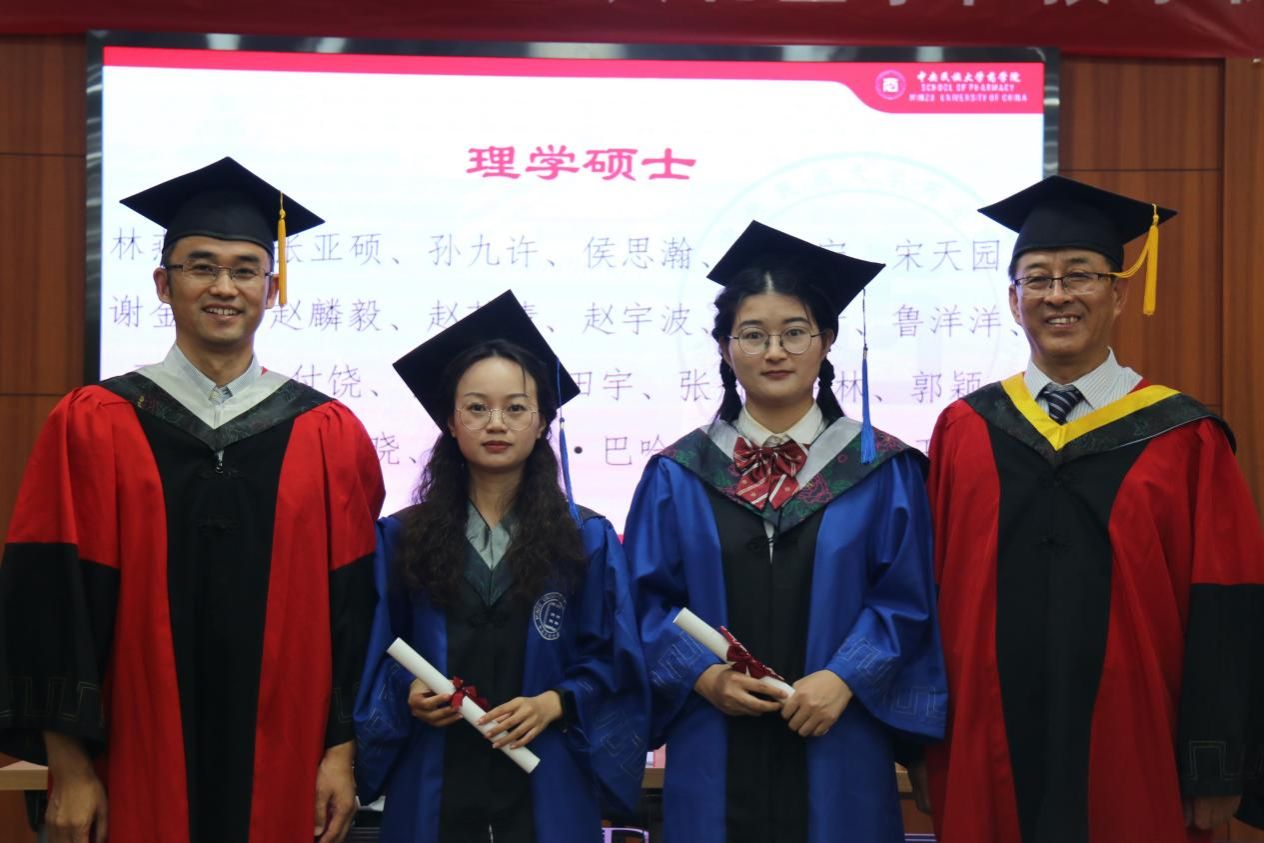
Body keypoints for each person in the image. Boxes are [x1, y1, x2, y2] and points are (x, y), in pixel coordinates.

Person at [0, 157, 385, 843]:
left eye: (245, 270)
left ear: (271, 289)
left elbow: (354, 607)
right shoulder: (92, 423)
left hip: (288, 753)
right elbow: (49, 596)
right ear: (163, 283)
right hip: (131, 757)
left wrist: (340, 751)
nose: (224, 287)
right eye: (200, 266)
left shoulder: (329, 434)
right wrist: (71, 766)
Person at [921, 175, 1264, 843]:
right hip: (985, 741)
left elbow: (1227, 605)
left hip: (1139, 745)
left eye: (1080, 274)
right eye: (1037, 279)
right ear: (1013, 299)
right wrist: (925, 743)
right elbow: (929, 595)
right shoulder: (965, 430)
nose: (1058, 295)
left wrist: (1215, 761)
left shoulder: (1184, 437)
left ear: (1118, 292)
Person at [624, 222, 947, 843]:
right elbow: (643, 602)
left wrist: (845, 676)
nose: (775, 351)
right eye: (753, 334)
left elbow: (908, 598)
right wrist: (704, 675)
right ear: (725, 349)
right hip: (713, 741)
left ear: (826, 341)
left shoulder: (882, 469)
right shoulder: (678, 474)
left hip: (841, 734)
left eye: (795, 332)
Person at [353, 291, 648, 843]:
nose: (496, 423)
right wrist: (405, 691)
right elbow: (370, 654)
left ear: (542, 423)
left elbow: (614, 657)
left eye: (515, 408)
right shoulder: (401, 538)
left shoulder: (586, 539)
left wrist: (555, 702)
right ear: (450, 421)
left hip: (548, 773)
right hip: (433, 774)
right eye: (476, 408)